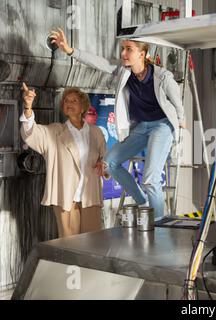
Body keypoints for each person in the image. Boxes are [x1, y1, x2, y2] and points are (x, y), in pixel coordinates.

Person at [50, 28, 185, 219]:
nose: (123, 54)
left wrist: (181, 126)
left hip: (162, 126)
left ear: (142, 54)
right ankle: (143, 203)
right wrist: (71, 51)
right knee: (110, 163)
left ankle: (159, 223)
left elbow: (179, 106)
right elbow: (99, 63)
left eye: (128, 49)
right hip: (141, 127)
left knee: (150, 178)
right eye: (123, 49)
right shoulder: (124, 72)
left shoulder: (163, 77)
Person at [21, 83, 106, 238]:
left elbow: (106, 157)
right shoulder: (55, 132)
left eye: (74, 101)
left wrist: (103, 163)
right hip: (66, 198)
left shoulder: (96, 133)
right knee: (70, 247)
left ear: (83, 107)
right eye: (66, 101)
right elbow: (30, 133)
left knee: (94, 245)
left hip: (91, 196)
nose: (69, 103)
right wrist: (28, 108)